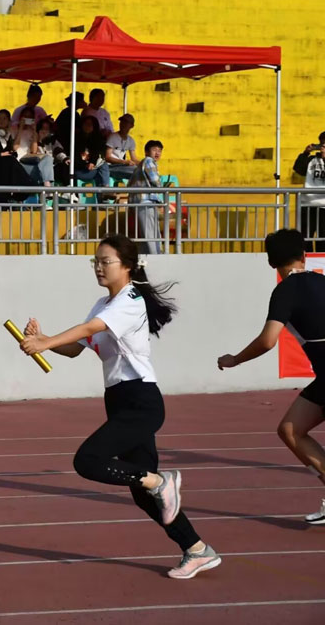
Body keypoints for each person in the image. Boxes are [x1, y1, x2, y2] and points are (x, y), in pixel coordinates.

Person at [20, 234, 221, 580]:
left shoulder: (130, 300)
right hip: (119, 401)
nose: (98, 267)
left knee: (87, 460)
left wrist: (46, 341)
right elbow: (77, 347)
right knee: (144, 495)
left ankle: (161, 480)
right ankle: (197, 549)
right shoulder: (103, 304)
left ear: (127, 266)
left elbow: (88, 328)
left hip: (140, 401)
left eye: (105, 261)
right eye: (95, 262)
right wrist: (44, 342)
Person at [217, 229, 325, 525]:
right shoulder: (321, 281)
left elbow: (267, 341)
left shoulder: (285, 291)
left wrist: (235, 359)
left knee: (292, 431)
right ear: (305, 256)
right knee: (290, 430)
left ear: (270, 262)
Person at [129, 140, 165, 254]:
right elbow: (156, 181)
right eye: (154, 150)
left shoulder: (141, 165)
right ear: (146, 152)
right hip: (146, 202)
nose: (157, 153)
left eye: (159, 150)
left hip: (140, 202)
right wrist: (162, 187)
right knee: (151, 233)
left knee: (146, 233)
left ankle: (147, 257)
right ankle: (156, 257)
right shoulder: (149, 161)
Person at [295, 136, 325, 252]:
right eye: (321, 144)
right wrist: (305, 153)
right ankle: (307, 259)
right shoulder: (311, 160)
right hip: (308, 204)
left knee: (323, 238)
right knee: (306, 237)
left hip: (324, 205)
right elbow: (298, 169)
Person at [15, 107, 54, 187]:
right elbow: (15, 148)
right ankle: (48, 188)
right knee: (46, 161)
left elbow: (33, 151)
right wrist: (21, 128)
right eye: (25, 116)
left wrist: (34, 131)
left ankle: (47, 185)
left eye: (30, 117)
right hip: (20, 157)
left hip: (30, 157)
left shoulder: (33, 132)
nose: (27, 119)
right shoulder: (14, 129)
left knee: (48, 160)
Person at [72, 115, 110, 189]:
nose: (88, 126)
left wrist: (92, 163)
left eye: (90, 125)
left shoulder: (98, 141)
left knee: (102, 165)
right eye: (86, 124)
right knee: (101, 171)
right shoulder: (75, 140)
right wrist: (85, 165)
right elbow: (74, 158)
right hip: (79, 171)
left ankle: (104, 191)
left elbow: (99, 154)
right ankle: (106, 189)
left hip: (92, 170)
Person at [105, 113, 139, 180]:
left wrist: (144, 164)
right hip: (110, 167)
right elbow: (107, 157)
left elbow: (134, 159)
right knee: (135, 171)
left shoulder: (131, 140)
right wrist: (124, 162)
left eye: (126, 122)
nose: (123, 124)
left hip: (122, 166)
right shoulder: (113, 137)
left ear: (132, 126)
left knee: (140, 171)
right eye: (122, 121)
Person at [55, 91, 86, 156]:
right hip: (67, 143)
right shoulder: (72, 113)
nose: (84, 102)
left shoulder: (66, 111)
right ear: (77, 102)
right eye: (82, 101)